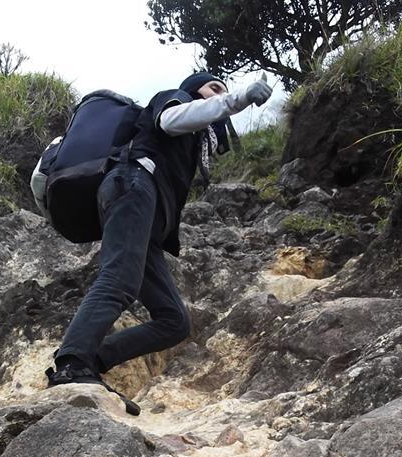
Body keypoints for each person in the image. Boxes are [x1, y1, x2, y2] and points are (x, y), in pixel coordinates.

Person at [45, 71, 273, 396]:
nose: (218, 93)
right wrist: (237, 99)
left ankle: (90, 361)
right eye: (213, 87)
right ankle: (71, 365)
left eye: (223, 90)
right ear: (194, 91)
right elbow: (170, 121)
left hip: (148, 216)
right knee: (119, 278)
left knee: (174, 320)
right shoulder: (174, 99)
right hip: (132, 184)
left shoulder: (194, 141)